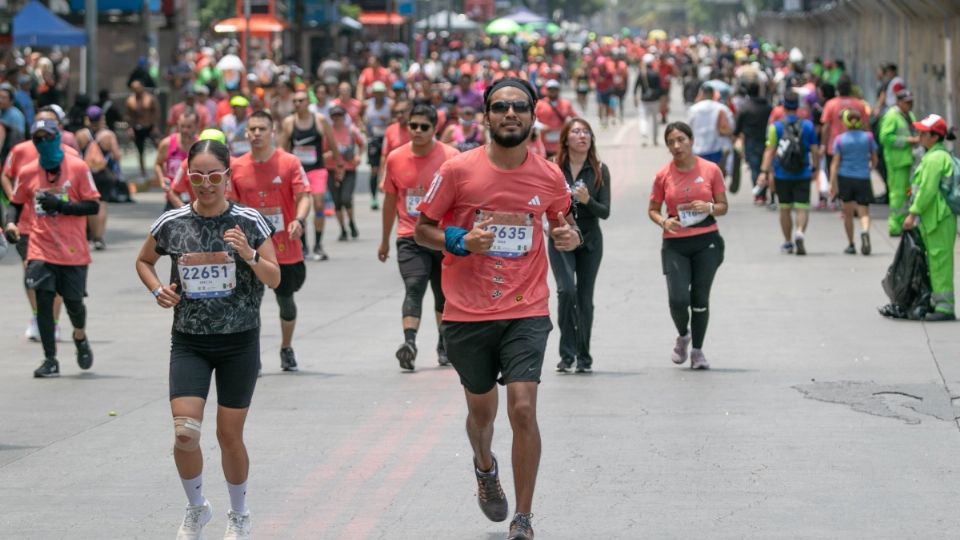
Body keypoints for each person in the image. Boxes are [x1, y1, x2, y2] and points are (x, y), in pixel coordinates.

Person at [414, 78, 582, 540]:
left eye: (520, 107)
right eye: (500, 107)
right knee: (481, 412)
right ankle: (485, 467)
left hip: (527, 307)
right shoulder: (456, 171)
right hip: (467, 311)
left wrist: (570, 237)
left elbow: (563, 224)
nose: (511, 114)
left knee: (523, 409)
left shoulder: (548, 175)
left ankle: (523, 517)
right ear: (485, 116)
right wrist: (459, 240)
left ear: (533, 117)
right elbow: (421, 229)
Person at [135, 138, 281, 539]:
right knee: (185, 432)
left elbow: (275, 275)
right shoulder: (173, 222)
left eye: (214, 176)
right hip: (190, 341)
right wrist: (156, 290)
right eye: (197, 176)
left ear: (228, 178)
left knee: (228, 435)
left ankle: (239, 514)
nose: (205, 184)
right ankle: (197, 508)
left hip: (239, 342)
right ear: (188, 178)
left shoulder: (249, 221)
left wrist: (249, 254)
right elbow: (144, 260)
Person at [6, 119, 100, 377]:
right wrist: (11, 224)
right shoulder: (27, 172)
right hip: (40, 248)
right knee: (44, 303)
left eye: (48, 137)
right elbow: (14, 202)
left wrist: (60, 206)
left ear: (57, 138)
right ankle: (50, 359)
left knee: (74, 304)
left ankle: (80, 335)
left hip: (73, 250)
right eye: (38, 139)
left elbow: (93, 206)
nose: (43, 143)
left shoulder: (78, 168)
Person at [230, 111, 312, 371]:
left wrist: (299, 220)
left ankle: (286, 347)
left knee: (285, 300)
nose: (256, 134)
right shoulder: (237, 167)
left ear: (272, 131)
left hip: (284, 247)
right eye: (252, 129)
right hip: (248, 248)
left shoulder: (288, 163)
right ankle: (251, 356)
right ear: (246, 133)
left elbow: (305, 195)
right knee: (248, 304)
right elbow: (230, 204)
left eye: (261, 129)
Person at [379, 103, 459, 369]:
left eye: (424, 127)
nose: (417, 131)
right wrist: (384, 240)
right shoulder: (395, 158)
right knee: (414, 286)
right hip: (410, 237)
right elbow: (390, 201)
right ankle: (409, 343)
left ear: (435, 129)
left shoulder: (451, 157)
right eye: (413, 126)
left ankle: (444, 344)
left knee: (443, 294)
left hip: (441, 237)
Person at [648, 121, 727, 371]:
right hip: (675, 244)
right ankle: (683, 335)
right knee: (678, 299)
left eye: (681, 139)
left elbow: (723, 206)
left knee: (700, 298)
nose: (677, 145)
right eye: (671, 141)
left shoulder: (711, 169)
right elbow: (652, 209)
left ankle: (697, 351)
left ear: (691, 141)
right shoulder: (663, 175)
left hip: (707, 241)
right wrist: (663, 221)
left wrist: (710, 207)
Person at [1, 107, 80, 341]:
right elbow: (7, 175)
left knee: (54, 277)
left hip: (60, 227)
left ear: (59, 128)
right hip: (27, 225)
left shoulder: (70, 155)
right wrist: (15, 197)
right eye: (39, 125)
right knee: (32, 274)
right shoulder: (20, 150)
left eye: (50, 125)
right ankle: (38, 315)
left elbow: (81, 192)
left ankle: (51, 322)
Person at [549, 119, 611, 373]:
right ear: (565, 139)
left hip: (590, 240)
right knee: (566, 292)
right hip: (561, 237)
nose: (582, 136)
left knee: (584, 298)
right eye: (576, 132)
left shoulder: (599, 170)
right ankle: (567, 353)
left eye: (586, 132)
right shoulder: (553, 168)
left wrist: (587, 200)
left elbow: (605, 212)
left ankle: (584, 356)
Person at [903, 114, 957, 321]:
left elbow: (927, 191)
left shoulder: (935, 159)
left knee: (940, 261)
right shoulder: (935, 156)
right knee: (935, 261)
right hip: (935, 218)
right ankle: (937, 303)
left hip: (938, 218)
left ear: (934, 137)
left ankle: (945, 308)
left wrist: (912, 214)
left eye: (923, 133)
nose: (919, 136)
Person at [278, 89, 340, 260]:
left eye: (302, 100)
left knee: (319, 205)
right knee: (300, 208)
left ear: (308, 102)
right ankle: (303, 246)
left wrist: (338, 164)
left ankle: (318, 244)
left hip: (317, 169)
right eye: (295, 101)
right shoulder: (289, 122)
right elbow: (282, 148)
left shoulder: (319, 120)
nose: (298, 104)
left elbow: (332, 143)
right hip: (297, 171)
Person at [758, 91, 820, 255]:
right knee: (802, 207)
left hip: (781, 173)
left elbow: (769, 151)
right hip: (803, 172)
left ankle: (787, 242)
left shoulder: (775, 127)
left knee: (784, 208)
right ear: (798, 107)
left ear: (783, 106)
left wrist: (764, 172)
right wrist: (816, 168)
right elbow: (815, 150)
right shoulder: (808, 126)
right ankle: (799, 232)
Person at [829, 109, 877, 255]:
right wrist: (869, 169)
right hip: (863, 178)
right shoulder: (868, 137)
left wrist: (832, 184)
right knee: (864, 212)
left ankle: (851, 244)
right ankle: (864, 230)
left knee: (848, 214)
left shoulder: (840, 139)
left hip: (845, 178)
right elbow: (874, 158)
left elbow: (835, 164)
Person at [76, 106, 121, 250]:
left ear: (87, 119)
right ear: (102, 118)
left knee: (89, 203)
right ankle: (98, 237)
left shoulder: (81, 134)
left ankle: (89, 235)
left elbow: (76, 155)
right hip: (103, 174)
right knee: (102, 204)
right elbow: (116, 155)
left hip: (86, 174)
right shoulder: (108, 135)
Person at [878, 89, 918, 236]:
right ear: (899, 102)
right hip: (897, 162)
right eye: (907, 102)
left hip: (909, 160)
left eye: (911, 102)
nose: (910, 105)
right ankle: (895, 226)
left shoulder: (909, 115)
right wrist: (908, 141)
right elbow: (885, 138)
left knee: (908, 193)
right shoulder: (891, 116)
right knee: (898, 194)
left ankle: (904, 223)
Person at [323, 106, 363, 241]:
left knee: (346, 198)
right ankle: (343, 229)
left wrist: (358, 156)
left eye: (340, 116)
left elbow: (362, 144)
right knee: (337, 201)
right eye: (334, 116)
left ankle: (351, 222)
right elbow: (320, 153)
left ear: (344, 117)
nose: (337, 119)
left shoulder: (351, 131)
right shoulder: (327, 133)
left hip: (349, 169)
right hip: (332, 169)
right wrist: (329, 155)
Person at [733, 82, 773, 205]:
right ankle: (765, 192)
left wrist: (736, 136)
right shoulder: (768, 107)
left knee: (755, 167)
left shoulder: (745, 107)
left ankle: (760, 194)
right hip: (766, 139)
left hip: (751, 141)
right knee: (766, 166)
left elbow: (738, 126)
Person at [156, 109, 199, 210]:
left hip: (196, 198)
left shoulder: (201, 145)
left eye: (189, 127)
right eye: (182, 126)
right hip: (173, 196)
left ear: (196, 126)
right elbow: (158, 164)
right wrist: (162, 178)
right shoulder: (167, 143)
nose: (185, 130)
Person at [363, 81, 393, 214]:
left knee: (390, 167)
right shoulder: (368, 104)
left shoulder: (390, 104)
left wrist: (388, 122)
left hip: (388, 138)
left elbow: (397, 118)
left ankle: (390, 195)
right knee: (374, 169)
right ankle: (374, 197)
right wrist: (363, 127)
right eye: (376, 92)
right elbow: (360, 117)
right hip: (373, 139)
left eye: (381, 92)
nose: (379, 95)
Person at [686, 84, 733, 166]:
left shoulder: (694, 109)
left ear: (701, 93)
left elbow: (687, 128)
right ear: (712, 94)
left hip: (698, 149)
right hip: (717, 150)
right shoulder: (722, 108)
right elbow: (731, 126)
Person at [125, 79, 160, 179]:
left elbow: (156, 113)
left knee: (159, 146)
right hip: (137, 127)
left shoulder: (149, 99)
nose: (136, 90)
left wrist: (155, 126)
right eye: (133, 88)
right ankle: (143, 171)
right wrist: (129, 128)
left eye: (137, 87)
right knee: (140, 150)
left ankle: (162, 167)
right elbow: (128, 116)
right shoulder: (130, 100)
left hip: (149, 126)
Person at [534, 79, 577, 159]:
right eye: (550, 89)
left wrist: (568, 124)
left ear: (558, 90)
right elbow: (532, 121)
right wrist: (542, 127)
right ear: (546, 90)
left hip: (562, 144)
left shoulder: (566, 104)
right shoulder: (539, 104)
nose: (553, 91)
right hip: (544, 144)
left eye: (555, 89)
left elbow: (575, 119)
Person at [633, 54, 662, 147]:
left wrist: (635, 97)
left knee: (643, 118)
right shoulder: (656, 73)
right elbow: (660, 88)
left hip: (644, 100)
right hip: (655, 100)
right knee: (655, 120)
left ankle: (644, 136)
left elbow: (636, 87)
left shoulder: (642, 73)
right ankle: (655, 139)